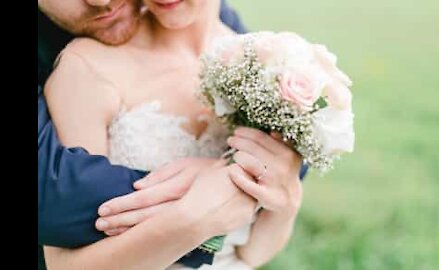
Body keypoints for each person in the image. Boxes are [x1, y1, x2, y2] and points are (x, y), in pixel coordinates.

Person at [38, 0, 308, 269]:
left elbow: (251, 254)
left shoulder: (265, 65)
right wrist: (194, 218)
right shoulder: (87, 67)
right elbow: (63, 264)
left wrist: (287, 201)